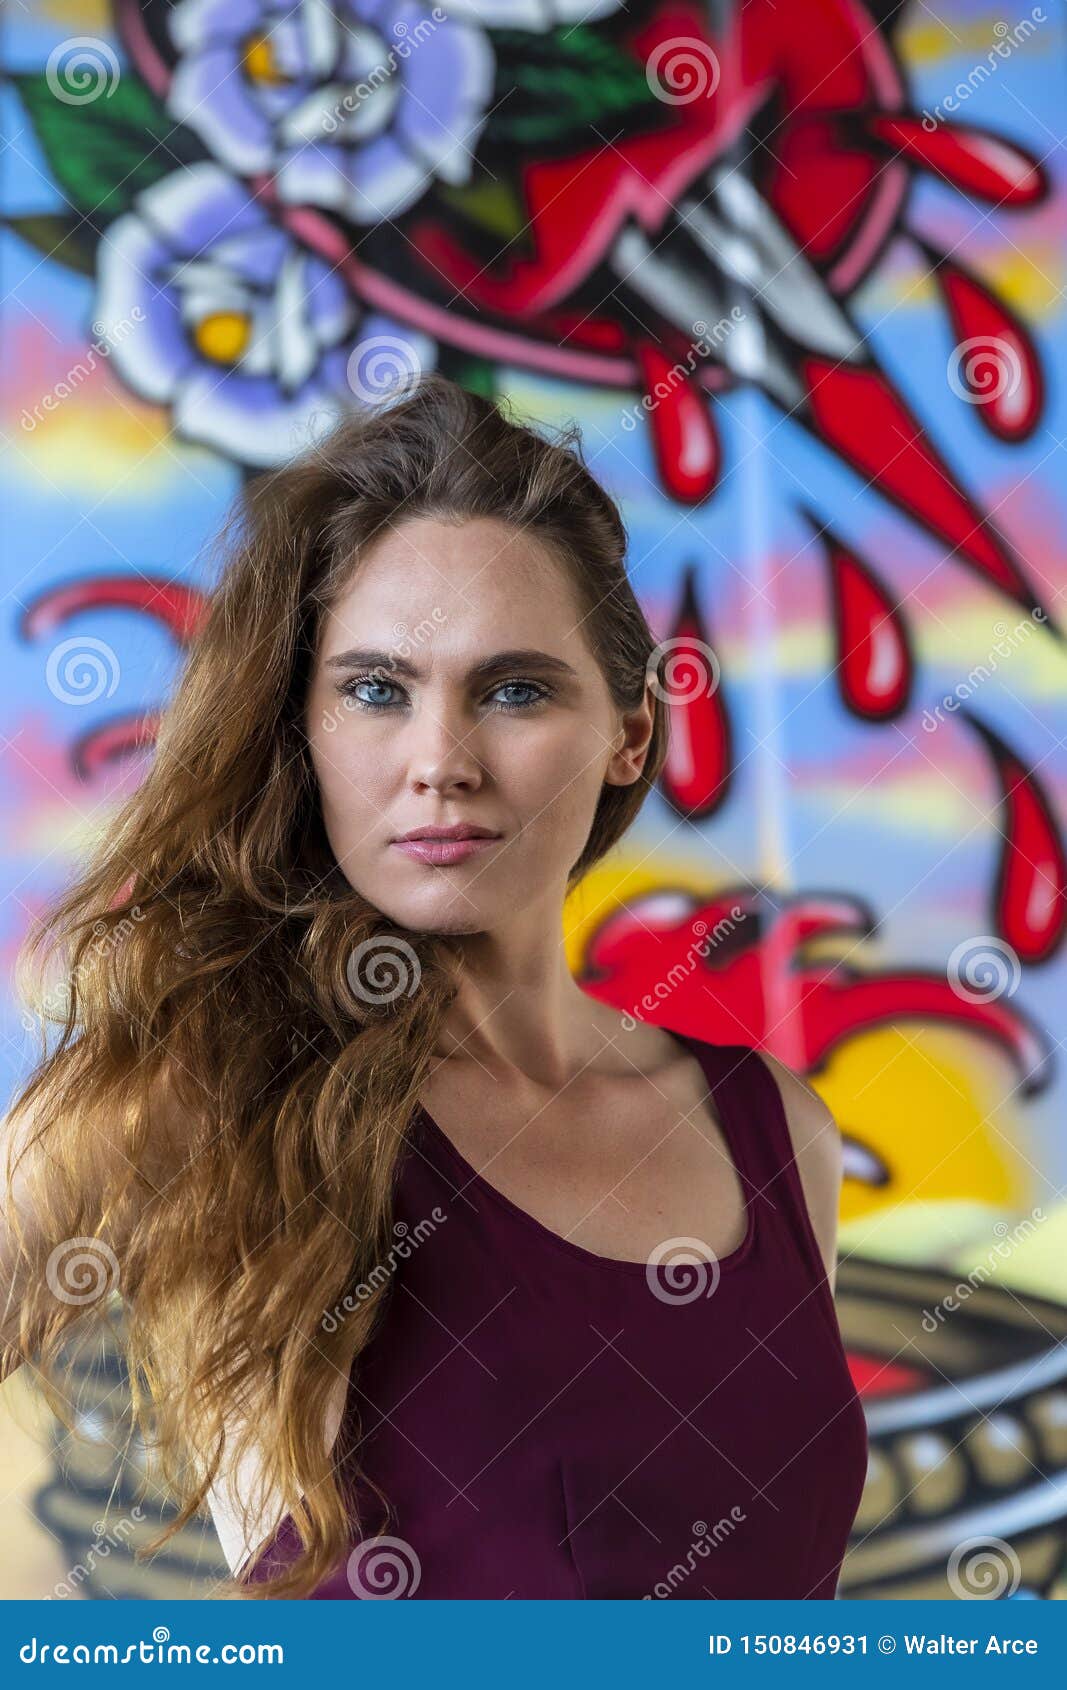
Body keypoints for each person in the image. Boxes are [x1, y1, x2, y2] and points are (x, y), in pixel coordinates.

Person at [1, 374, 867, 1600]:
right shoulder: (210, 1087)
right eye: (374, 689)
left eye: (514, 690)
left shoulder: (779, 1131)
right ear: (301, 729)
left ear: (627, 729)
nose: (441, 764)